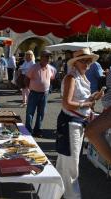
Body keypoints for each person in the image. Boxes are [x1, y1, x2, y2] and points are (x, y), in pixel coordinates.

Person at [55, 48, 103, 199]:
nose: (87, 64)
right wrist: (87, 103)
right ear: (75, 62)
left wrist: (93, 98)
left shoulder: (82, 77)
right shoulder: (71, 77)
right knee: (71, 166)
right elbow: (67, 103)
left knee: (65, 163)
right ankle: (73, 196)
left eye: (89, 61)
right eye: (84, 61)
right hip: (71, 124)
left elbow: (81, 101)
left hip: (76, 123)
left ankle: (55, 192)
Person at [25, 50, 55, 137]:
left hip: (44, 94)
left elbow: (52, 78)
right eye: (46, 56)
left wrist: (47, 87)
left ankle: (37, 130)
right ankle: (28, 131)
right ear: (41, 57)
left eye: (49, 57)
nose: (48, 59)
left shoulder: (50, 68)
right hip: (34, 93)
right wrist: (30, 88)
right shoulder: (34, 67)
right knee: (30, 113)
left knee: (41, 113)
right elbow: (26, 79)